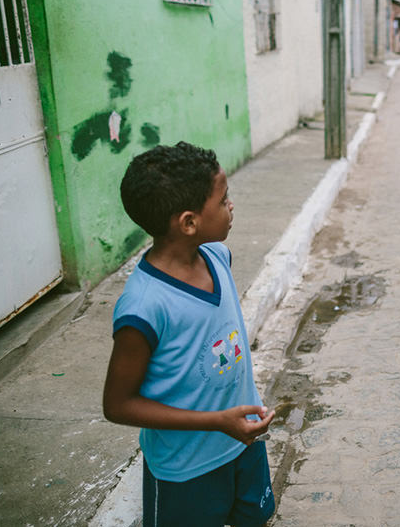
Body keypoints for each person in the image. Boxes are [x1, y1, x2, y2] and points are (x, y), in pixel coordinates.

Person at [103, 142, 276, 526]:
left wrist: (230, 425)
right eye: (223, 199)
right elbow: (117, 405)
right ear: (188, 222)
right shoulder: (144, 308)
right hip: (187, 470)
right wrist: (216, 421)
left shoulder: (216, 256)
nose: (231, 205)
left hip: (242, 445)